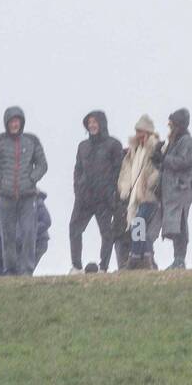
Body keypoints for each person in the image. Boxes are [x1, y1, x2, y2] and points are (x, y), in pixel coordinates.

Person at [0, 105, 48, 276]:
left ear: (22, 122)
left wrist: (32, 179)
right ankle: (10, 270)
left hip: (28, 196)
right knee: (7, 235)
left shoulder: (32, 140)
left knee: (28, 233)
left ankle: (26, 270)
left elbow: (42, 164)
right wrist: (0, 181)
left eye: (17, 121)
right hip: (4, 196)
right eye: (11, 121)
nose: (14, 124)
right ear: (6, 123)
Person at [69, 110, 123, 273]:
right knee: (74, 229)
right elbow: (77, 169)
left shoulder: (113, 144)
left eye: (95, 122)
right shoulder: (82, 146)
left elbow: (118, 170)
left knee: (107, 233)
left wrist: (112, 191)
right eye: (89, 122)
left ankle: (103, 267)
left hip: (104, 198)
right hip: (84, 198)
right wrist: (77, 188)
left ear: (102, 123)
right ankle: (76, 266)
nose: (92, 125)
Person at [117, 114, 163, 271]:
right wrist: (124, 187)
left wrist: (149, 183)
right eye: (137, 132)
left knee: (139, 222)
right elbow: (126, 171)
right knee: (140, 225)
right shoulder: (133, 151)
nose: (138, 135)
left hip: (149, 195)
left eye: (141, 132)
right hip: (134, 197)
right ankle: (147, 259)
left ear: (148, 133)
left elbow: (159, 169)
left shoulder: (156, 147)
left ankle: (135, 257)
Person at [154, 107, 192, 270]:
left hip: (181, 188)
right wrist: (156, 158)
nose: (170, 128)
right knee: (175, 225)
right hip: (171, 191)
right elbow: (166, 164)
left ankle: (180, 259)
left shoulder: (186, 141)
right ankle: (177, 259)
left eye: (172, 125)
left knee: (180, 224)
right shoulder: (175, 141)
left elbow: (183, 162)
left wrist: (164, 158)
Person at [35, 190, 52, 269]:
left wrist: (30, 230)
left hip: (38, 241)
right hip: (28, 241)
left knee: (24, 270)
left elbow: (46, 221)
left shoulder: (38, 202)